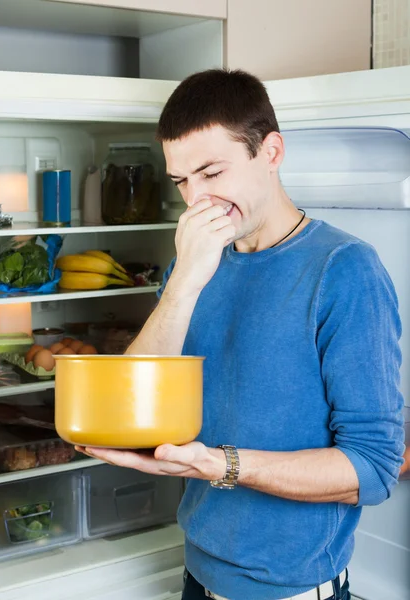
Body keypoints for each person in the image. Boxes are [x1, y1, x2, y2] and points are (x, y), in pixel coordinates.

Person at [77, 69, 405, 600]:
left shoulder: (344, 271)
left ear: (271, 151)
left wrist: (218, 464)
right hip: (197, 577)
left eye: (212, 172)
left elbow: (373, 468)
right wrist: (184, 281)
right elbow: (125, 414)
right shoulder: (194, 265)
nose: (197, 200)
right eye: (182, 181)